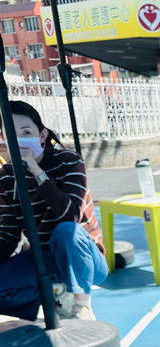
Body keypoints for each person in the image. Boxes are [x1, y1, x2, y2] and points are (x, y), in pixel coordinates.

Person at [0, 100, 108, 321]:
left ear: (42, 135)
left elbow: (71, 215)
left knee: (66, 231)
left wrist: (36, 171)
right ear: (4, 139)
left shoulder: (69, 161)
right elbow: (9, 234)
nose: (19, 141)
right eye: (12, 134)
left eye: (26, 133)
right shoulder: (6, 176)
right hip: (42, 258)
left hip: (83, 258)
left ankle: (80, 305)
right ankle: (49, 298)